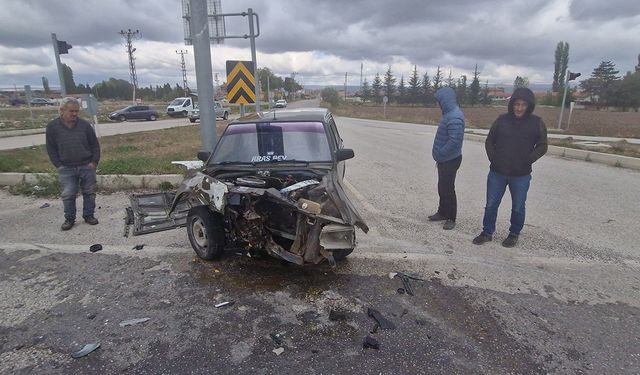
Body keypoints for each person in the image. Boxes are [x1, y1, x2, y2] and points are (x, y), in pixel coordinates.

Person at [472, 87, 547, 247]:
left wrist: (528, 160)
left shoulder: (537, 123)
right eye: (516, 104)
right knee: (491, 204)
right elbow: (489, 141)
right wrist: (494, 159)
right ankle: (487, 232)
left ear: (529, 106)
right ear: (512, 104)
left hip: (521, 175)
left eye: (523, 105)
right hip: (497, 173)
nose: (519, 108)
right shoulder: (501, 120)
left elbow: (542, 146)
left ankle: (514, 234)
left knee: (518, 207)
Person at [46, 97, 101, 231]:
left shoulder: (85, 125)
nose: (74, 114)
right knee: (68, 194)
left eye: (77, 111)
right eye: (71, 111)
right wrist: (58, 165)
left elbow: (95, 145)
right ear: (62, 110)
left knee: (89, 193)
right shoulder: (53, 127)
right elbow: (51, 148)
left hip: (86, 165)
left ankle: (89, 216)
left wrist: (94, 162)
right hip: (66, 168)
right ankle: (69, 219)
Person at [428, 86, 465, 230]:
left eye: (439, 101)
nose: (438, 104)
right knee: (442, 186)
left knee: (448, 188)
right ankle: (442, 212)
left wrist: (441, 153)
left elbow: (455, 141)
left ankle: (451, 217)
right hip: (444, 159)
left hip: (450, 159)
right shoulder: (449, 114)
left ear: (445, 101)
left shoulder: (455, 116)